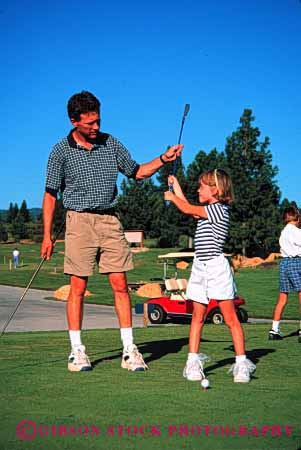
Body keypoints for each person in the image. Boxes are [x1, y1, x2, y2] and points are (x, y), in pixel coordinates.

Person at [41, 91, 183, 373]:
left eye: (98, 121)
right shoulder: (60, 151)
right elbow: (49, 194)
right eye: (90, 123)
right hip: (78, 222)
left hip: (110, 221)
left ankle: (129, 350)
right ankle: (77, 351)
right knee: (78, 288)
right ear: (74, 121)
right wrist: (46, 235)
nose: (96, 127)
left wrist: (164, 158)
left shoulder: (111, 143)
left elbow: (137, 172)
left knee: (120, 284)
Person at [164, 169, 256, 383]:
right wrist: (175, 185)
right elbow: (190, 208)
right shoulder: (206, 210)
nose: (198, 189)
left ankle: (242, 364)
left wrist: (171, 197)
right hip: (199, 267)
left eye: (202, 186)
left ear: (216, 190)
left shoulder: (220, 210)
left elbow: (186, 208)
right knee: (197, 316)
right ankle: (193, 362)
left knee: (230, 318)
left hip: (216, 267)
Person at [269, 205, 301, 342]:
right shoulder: (296, 231)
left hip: (284, 264)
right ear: (297, 217)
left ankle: (274, 330)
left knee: (282, 299)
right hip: (296, 262)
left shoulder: (283, 232)